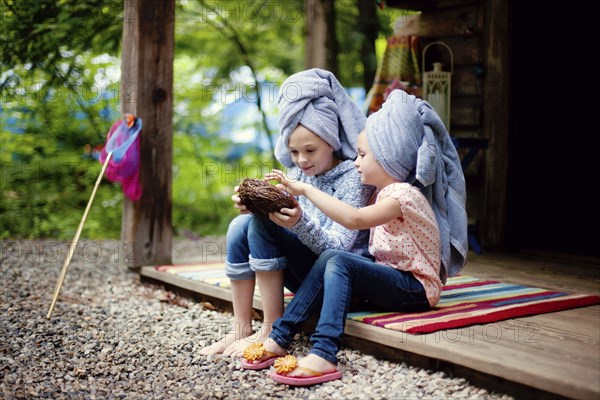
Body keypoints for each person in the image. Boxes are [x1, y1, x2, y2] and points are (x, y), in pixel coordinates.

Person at [241, 89, 468, 386]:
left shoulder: (403, 195)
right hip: (389, 280)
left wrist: (307, 190)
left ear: (389, 157)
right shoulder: (382, 193)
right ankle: (280, 335)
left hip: (416, 290)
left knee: (338, 259)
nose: (356, 161)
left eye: (362, 155)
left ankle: (324, 350)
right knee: (331, 258)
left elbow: (354, 218)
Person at [199, 69, 375, 357]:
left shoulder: (352, 179)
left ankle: (271, 327)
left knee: (262, 226)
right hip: (308, 274)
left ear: (331, 141)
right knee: (240, 224)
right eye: (294, 152)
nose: (301, 160)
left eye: (310, 150)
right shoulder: (297, 176)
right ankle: (241, 328)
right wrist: (254, 203)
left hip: (338, 285)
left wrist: (299, 222)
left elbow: (338, 251)